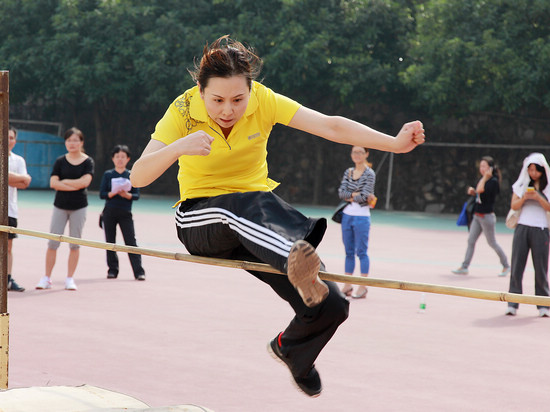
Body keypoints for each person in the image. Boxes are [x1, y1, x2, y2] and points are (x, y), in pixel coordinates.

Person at [130, 35, 425, 397]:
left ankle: (292, 350)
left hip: (256, 224)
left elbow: (329, 125)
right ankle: (294, 254)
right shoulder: (181, 110)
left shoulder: (264, 101)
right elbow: (138, 176)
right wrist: (180, 147)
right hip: (201, 219)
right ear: (200, 91)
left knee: (330, 304)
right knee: (240, 204)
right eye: (217, 100)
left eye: (238, 100)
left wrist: (394, 144)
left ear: (251, 91)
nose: (228, 110)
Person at [36, 127, 94, 291]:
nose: (72, 143)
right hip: (60, 206)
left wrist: (64, 183)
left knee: (74, 244)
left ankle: (69, 278)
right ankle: (46, 278)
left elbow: (85, 182)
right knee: (52, 243)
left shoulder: (88, 161)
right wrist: (73, 184)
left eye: (75, 140)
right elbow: (53, 183)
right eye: (69, 140)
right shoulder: (60, 161)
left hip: (79, 207)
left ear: (81, 142)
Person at [505, 153, 550, 317]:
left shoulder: (547, 186)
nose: (533, 173)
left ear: (542, 171)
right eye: (530, 169)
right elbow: (514, 204)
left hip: (541, 229)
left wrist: (538, 196)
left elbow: (548, 207)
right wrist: (525, 197)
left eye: (536, 170)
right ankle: (512, 303)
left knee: (541, 268)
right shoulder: (522, 184)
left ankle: (543, 305)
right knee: (517, 266)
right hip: (522, 227)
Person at [452, 156, 510, 276]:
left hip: (486, 217)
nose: (482, 168)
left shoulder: (492, 181)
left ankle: (506, 265)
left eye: (484, 166)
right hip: (477, 216)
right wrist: (474, 192)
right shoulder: (484, 179)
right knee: (471, 240)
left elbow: (482, 191)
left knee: (492, 242)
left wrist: (483, 180)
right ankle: (464, 266)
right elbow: (479, 194)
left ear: (491, 168)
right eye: (481, 166)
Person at [99, 145, 145, 280]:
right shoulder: (108, 175)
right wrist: (112, 193)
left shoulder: (131, 175)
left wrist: (127, 195)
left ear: (128, 159)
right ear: (113, 159)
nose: (120, 159)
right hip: (109, 213)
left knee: (131, 242)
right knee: (110, 242)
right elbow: (102, 194)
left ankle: (139, 272)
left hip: (125, 213)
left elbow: (136, 195)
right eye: (117, 157)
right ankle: (112, 270)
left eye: (123, 157)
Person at [338, 146, 376, 299]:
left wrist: (351, 195)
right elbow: (341, 193)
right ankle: (347, 284)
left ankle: (363, 285)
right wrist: (356, 195)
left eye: (360, 152)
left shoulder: (369, 173)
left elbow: (366, 195)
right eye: (354, 152)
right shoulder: (348, 172)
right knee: (348, 252)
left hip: (362, 217)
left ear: (366, 154)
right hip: (347, 215)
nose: (357, 155)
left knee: (361, 252)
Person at [7, 126, 32, 292]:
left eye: (10, 137)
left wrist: (9, 178)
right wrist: (19, 178)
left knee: (8, 247)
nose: (7, 140)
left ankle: (7, 280)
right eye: (4, 136)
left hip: (10, 210)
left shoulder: (19, 160)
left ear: (14, 141)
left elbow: (26, 183)